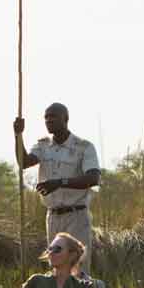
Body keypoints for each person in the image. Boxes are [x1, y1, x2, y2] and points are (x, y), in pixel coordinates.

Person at [14, 102, 101, 275]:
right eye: (46, 117)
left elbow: (93, 178)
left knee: (79, 268)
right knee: (56, 267)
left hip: (76, 215)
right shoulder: (43, 146)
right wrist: (18, 135)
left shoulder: (83, 147)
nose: (49, 120)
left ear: (66, 119)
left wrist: (59, 182)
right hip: (53, 216)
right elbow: (24, 162)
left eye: (53, 116)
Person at [7, 233, 124, 288]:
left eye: (57, 249)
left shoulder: (86, 287)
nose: (51, 253)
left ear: (72, 255)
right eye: (50, 249)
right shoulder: (36, 281)